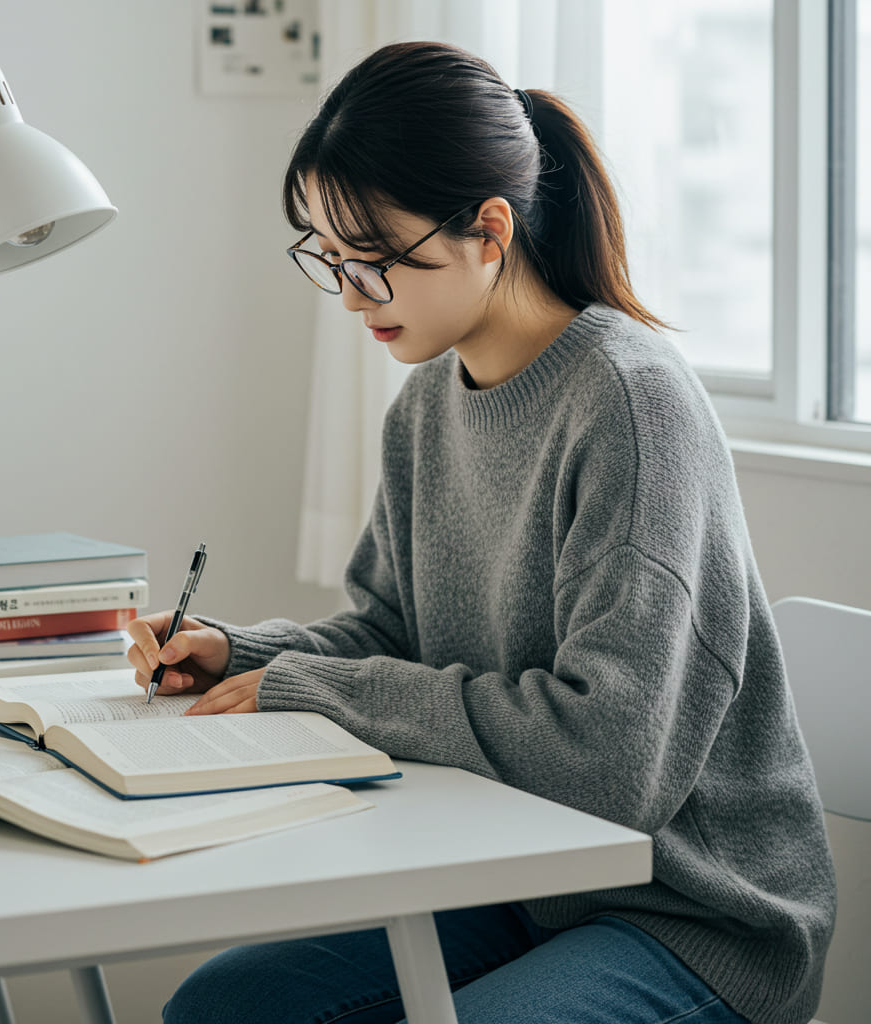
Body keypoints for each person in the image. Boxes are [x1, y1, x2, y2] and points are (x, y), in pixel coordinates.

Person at [126, 40, 835, 1024]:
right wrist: (239, 650)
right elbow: (387, 638)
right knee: (220, 1009)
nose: (348, 296)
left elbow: (608, 758)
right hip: (520, 879)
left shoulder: (630, 405)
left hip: (692, 914)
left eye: (371, 259)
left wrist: (309, 685)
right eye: (328, 258)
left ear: (488, 229)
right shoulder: (424, 409)